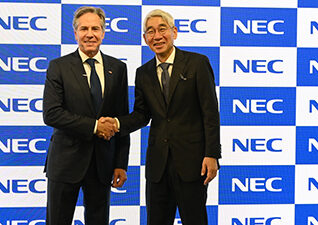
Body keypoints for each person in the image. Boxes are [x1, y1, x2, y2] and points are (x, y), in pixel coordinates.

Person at [102, 9, 221, 225]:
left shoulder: (197, 63)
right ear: (145, 39)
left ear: (174, 32)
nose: (157, 36)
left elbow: (210, 112)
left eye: (162, 29)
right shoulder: (143, 73)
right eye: (150, 32)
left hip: (192, 163)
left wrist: (212, 154)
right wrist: (116, 123)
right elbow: (141, 114)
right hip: (157, 166)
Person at [42, 6, 130, 225]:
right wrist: (94, 126)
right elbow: (51, 114)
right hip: (65, 163)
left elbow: (121, 118)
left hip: (102, 164)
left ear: (103, 32)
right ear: (75, 33)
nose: (89, 34)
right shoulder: (58, 67)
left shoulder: (118, 68)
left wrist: (121, 163)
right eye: (84, 28)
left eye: (95, 28)